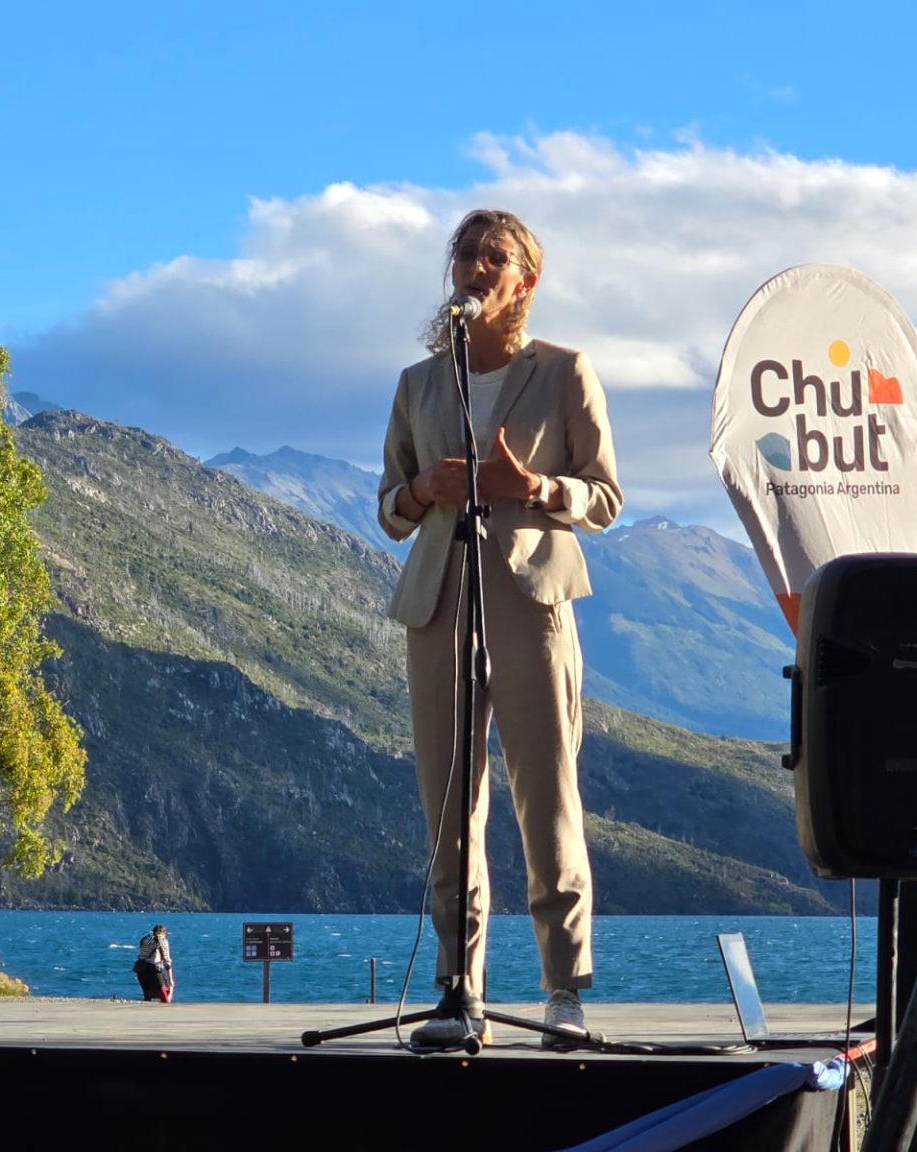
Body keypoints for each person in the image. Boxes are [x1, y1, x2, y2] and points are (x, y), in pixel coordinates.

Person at [376, 208, 622, 1050]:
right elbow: (389, 509)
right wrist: (425, 492)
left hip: (531, 604)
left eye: (495, 257)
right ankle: (459, 991)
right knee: (451, 806)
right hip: (438, 607)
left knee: (547, 799)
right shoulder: (418, 384)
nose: (476, 269)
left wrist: (542, 488)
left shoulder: (564, 372)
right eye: (465, 256)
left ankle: (564, 992)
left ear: (527, 278)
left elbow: (605, 496)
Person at [132, 924, 174, 1002]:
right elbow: (167, 961)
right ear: (164, 933)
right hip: (154, 968)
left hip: (141, 968)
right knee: (165, 994)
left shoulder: (145, 939)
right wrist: (171, 980)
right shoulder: (163, 941)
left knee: (147, 994)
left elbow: (141, 953)